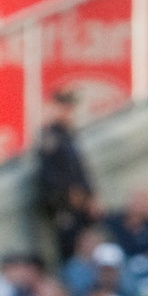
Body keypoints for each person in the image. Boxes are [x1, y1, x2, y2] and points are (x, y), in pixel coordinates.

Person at [36, 87, 100, 262]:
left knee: (90, 247)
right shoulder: (50, 135)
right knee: (70, 249)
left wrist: (91, 195)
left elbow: (80, 169)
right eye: (64, 107)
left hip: (80, 204)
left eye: (70, 108)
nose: (69, 112)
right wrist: (68, 193)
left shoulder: (68, 134)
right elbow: (49, 175)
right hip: (64, 206)